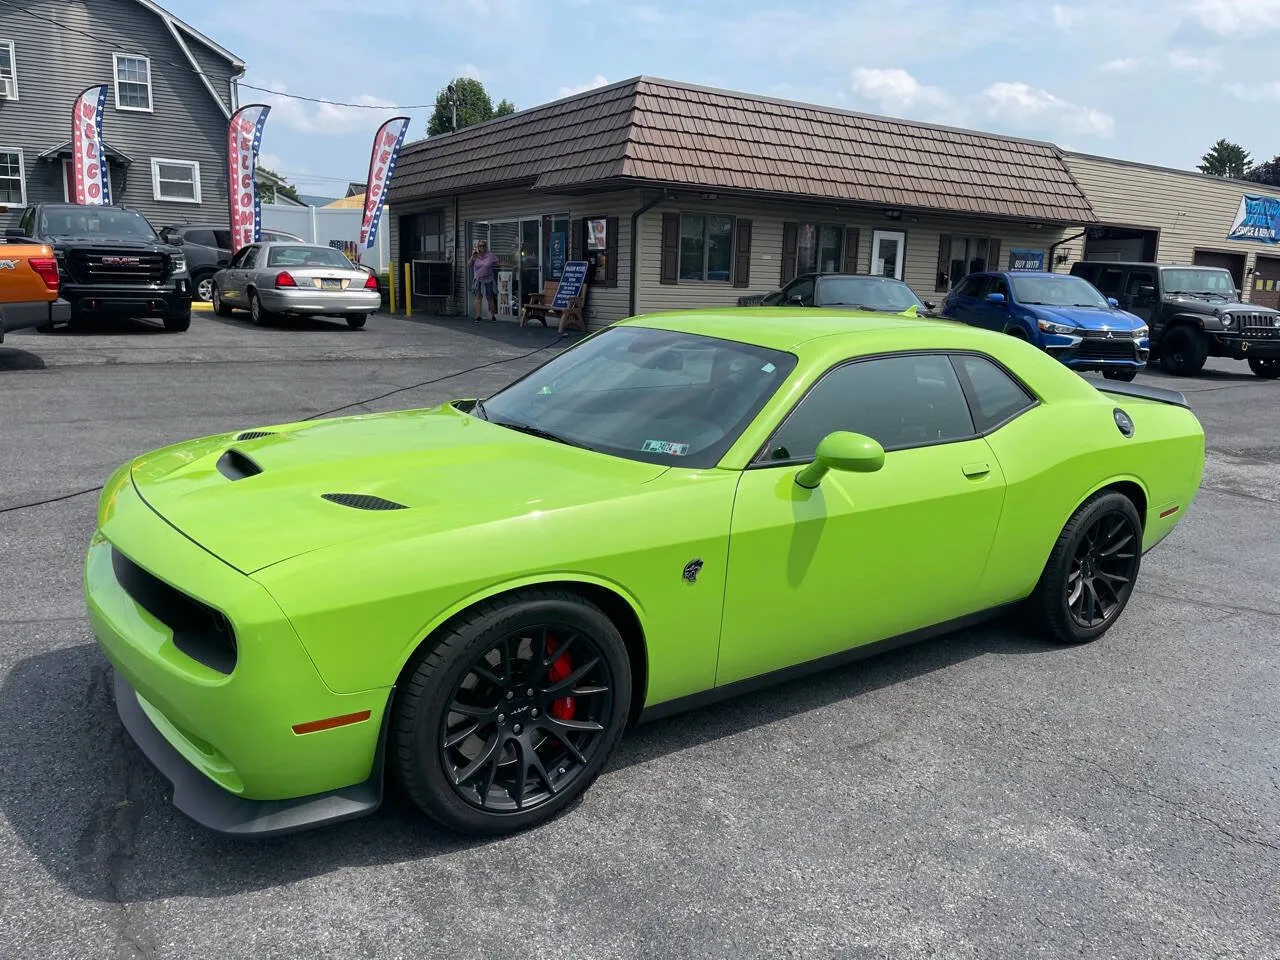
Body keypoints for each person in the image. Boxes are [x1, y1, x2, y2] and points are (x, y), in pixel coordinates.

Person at [468, 240, 500, 321]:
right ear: (477, 247)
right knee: (478, 297)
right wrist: (472, 256)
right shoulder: (475, 256)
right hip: (478, 279)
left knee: (490, 297)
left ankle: (493, 315)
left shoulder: (490, 255)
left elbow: (498, 263)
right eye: (480, 246)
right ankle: (478, 316)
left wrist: (510, 265)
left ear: (486, 247)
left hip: (488, 279)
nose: (482, 247)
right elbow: (469, 265)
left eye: (483, 246)